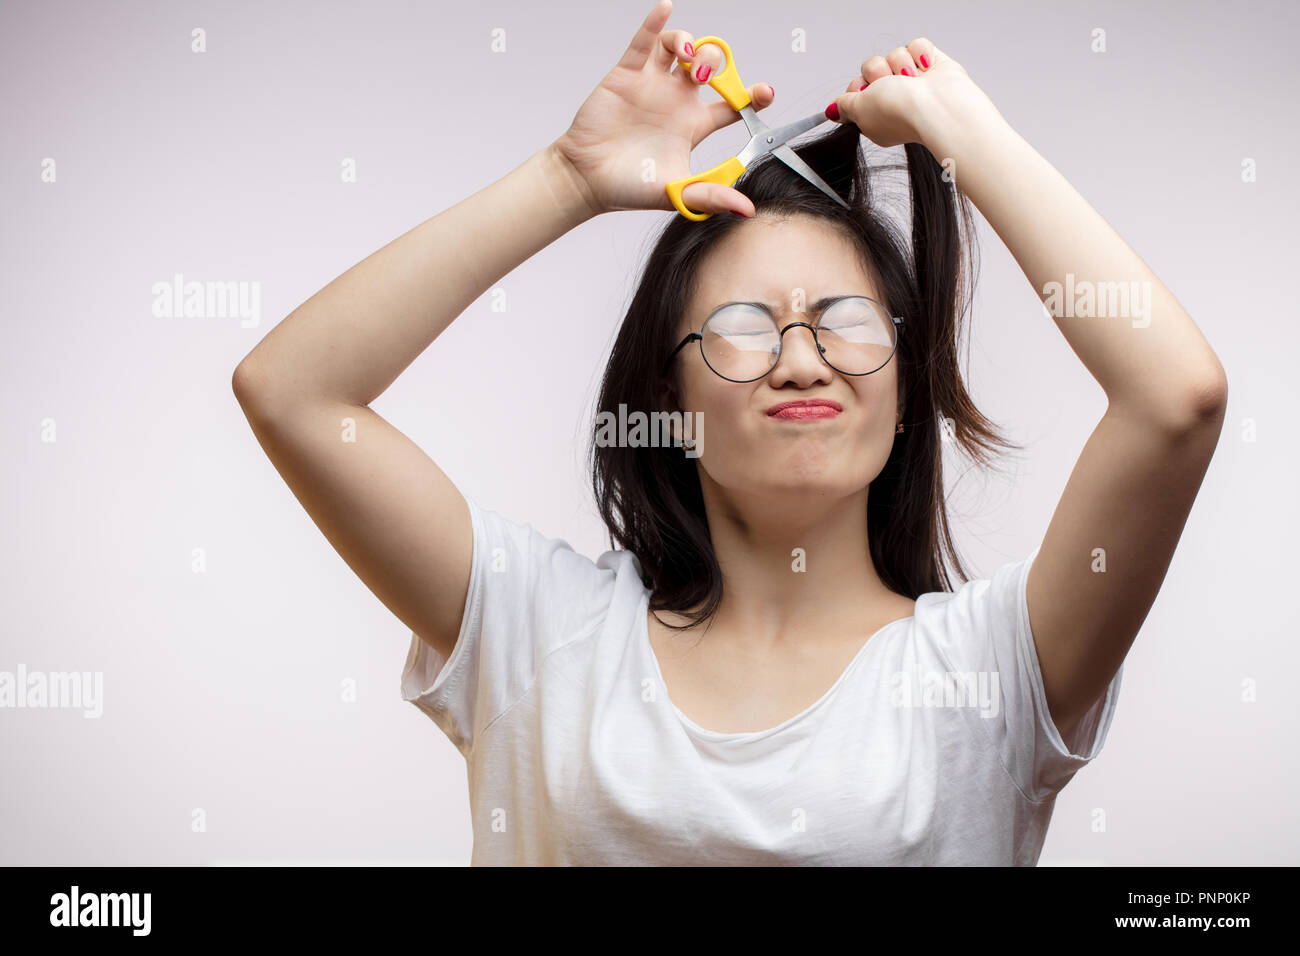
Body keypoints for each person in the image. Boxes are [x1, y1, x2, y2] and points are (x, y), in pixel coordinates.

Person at [232, 0, 1228, 865]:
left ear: (900, 375)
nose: (802, 359)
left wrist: (966, 133)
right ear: (665, 394)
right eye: (746, 328)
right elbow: (294, 391)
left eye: (843, 320)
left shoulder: (992, 668)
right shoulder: (539, 632)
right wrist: (568, 181)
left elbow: (1174, 398)